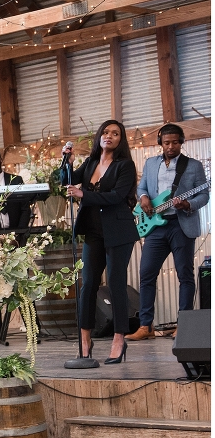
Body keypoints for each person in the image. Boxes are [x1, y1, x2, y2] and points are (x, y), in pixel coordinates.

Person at [62, 120, 139, 364]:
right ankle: (85, 339)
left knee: (116, 283)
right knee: (88, 285)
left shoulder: (124, 165)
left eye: (115, 134)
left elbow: (117, 196)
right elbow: (66, 179)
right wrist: (67, 162)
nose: (109, 136)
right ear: (99, 137)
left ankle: (119, 338)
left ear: (120, 139)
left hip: (119, 231)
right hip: (93, 231)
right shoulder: (91, 162)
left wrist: (84, 193)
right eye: (105, 132)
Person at [127, 124, 209, 340]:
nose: (171, 146)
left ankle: (185, 325)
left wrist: (188, 205)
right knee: (146, 274)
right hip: (155, 226)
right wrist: (143, 197)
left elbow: (204, 195)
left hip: (181, 225)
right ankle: (146, 326)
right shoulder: (151, 163)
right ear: (160, 143)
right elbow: (142, 188)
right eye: (166, 142)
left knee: (185, 275)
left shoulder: (193, 166)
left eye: (175, 142)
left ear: (182, 142)